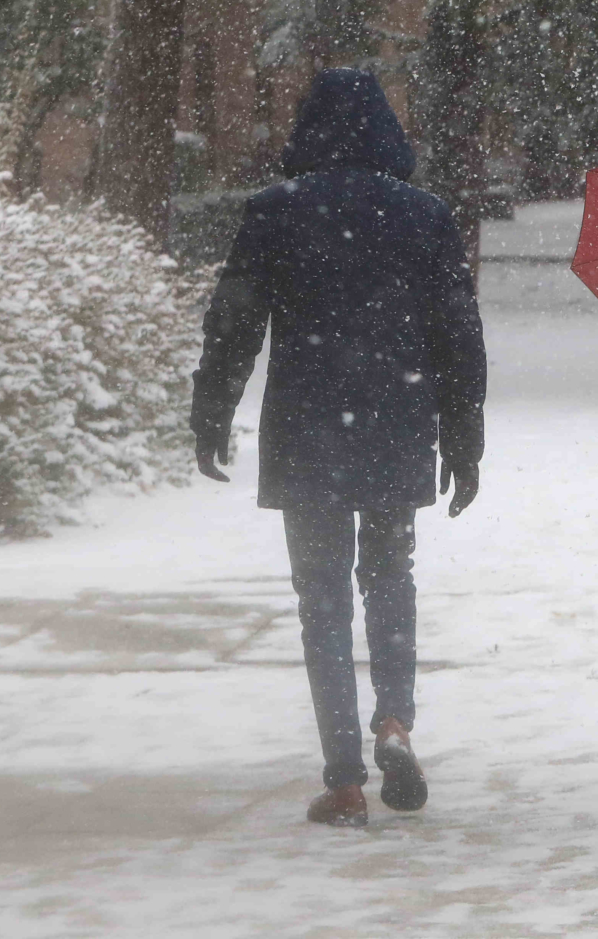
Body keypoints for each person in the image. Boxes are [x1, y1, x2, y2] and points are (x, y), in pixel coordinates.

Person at [192, 69, 488, 829]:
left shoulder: (275, 210)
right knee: (390, 575)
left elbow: (235, 320)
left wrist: (213, 407)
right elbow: (459, 333)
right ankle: (394, 721)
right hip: (396, 420)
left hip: (308, 425)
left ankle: (346, 781)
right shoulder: (424, 215)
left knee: (320, 598)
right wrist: (464, 436)